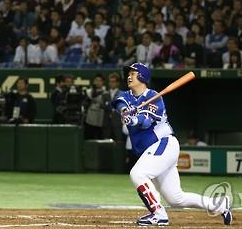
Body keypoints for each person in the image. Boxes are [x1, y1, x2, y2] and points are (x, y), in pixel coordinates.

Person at [112, 63, 232, 226]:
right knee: (176, 198)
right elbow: (120, 105)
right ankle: (218, 204)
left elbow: (146, 122)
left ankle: (158, 213)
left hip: (164, 144)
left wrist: (134, 118)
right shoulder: (124, 95)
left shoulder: (154, 96)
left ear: (142, 77)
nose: (129, 76)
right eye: (128, 73)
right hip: (153, 150)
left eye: (133, 73)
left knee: (138, 174)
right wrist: (126, 113)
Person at [102, 73, 123, 143]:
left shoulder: (122, 94)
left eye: (113, 82)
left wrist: (110, 105)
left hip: (118, 122)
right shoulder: (105, 94)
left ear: (117, 83)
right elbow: (103, 105)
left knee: (119, 142)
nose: (111, 84)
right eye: (110, 82)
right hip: (107, 122)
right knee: (106, 142)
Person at [84, 74, 106, 139]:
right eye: (96, 80)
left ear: (103, 82)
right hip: (89, 120)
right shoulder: (88, 92)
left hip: (100, 120)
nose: (98, 82)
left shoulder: (106, 93)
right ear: (93, 81)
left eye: (100, 81)